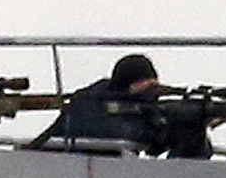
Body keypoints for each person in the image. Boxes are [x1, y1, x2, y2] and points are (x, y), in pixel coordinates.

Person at [47, 54, 213, 159]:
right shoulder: (92, 105)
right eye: (146, 89)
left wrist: (195, 124)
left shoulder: (103, 102)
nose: (151, 97)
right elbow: (123, 133)